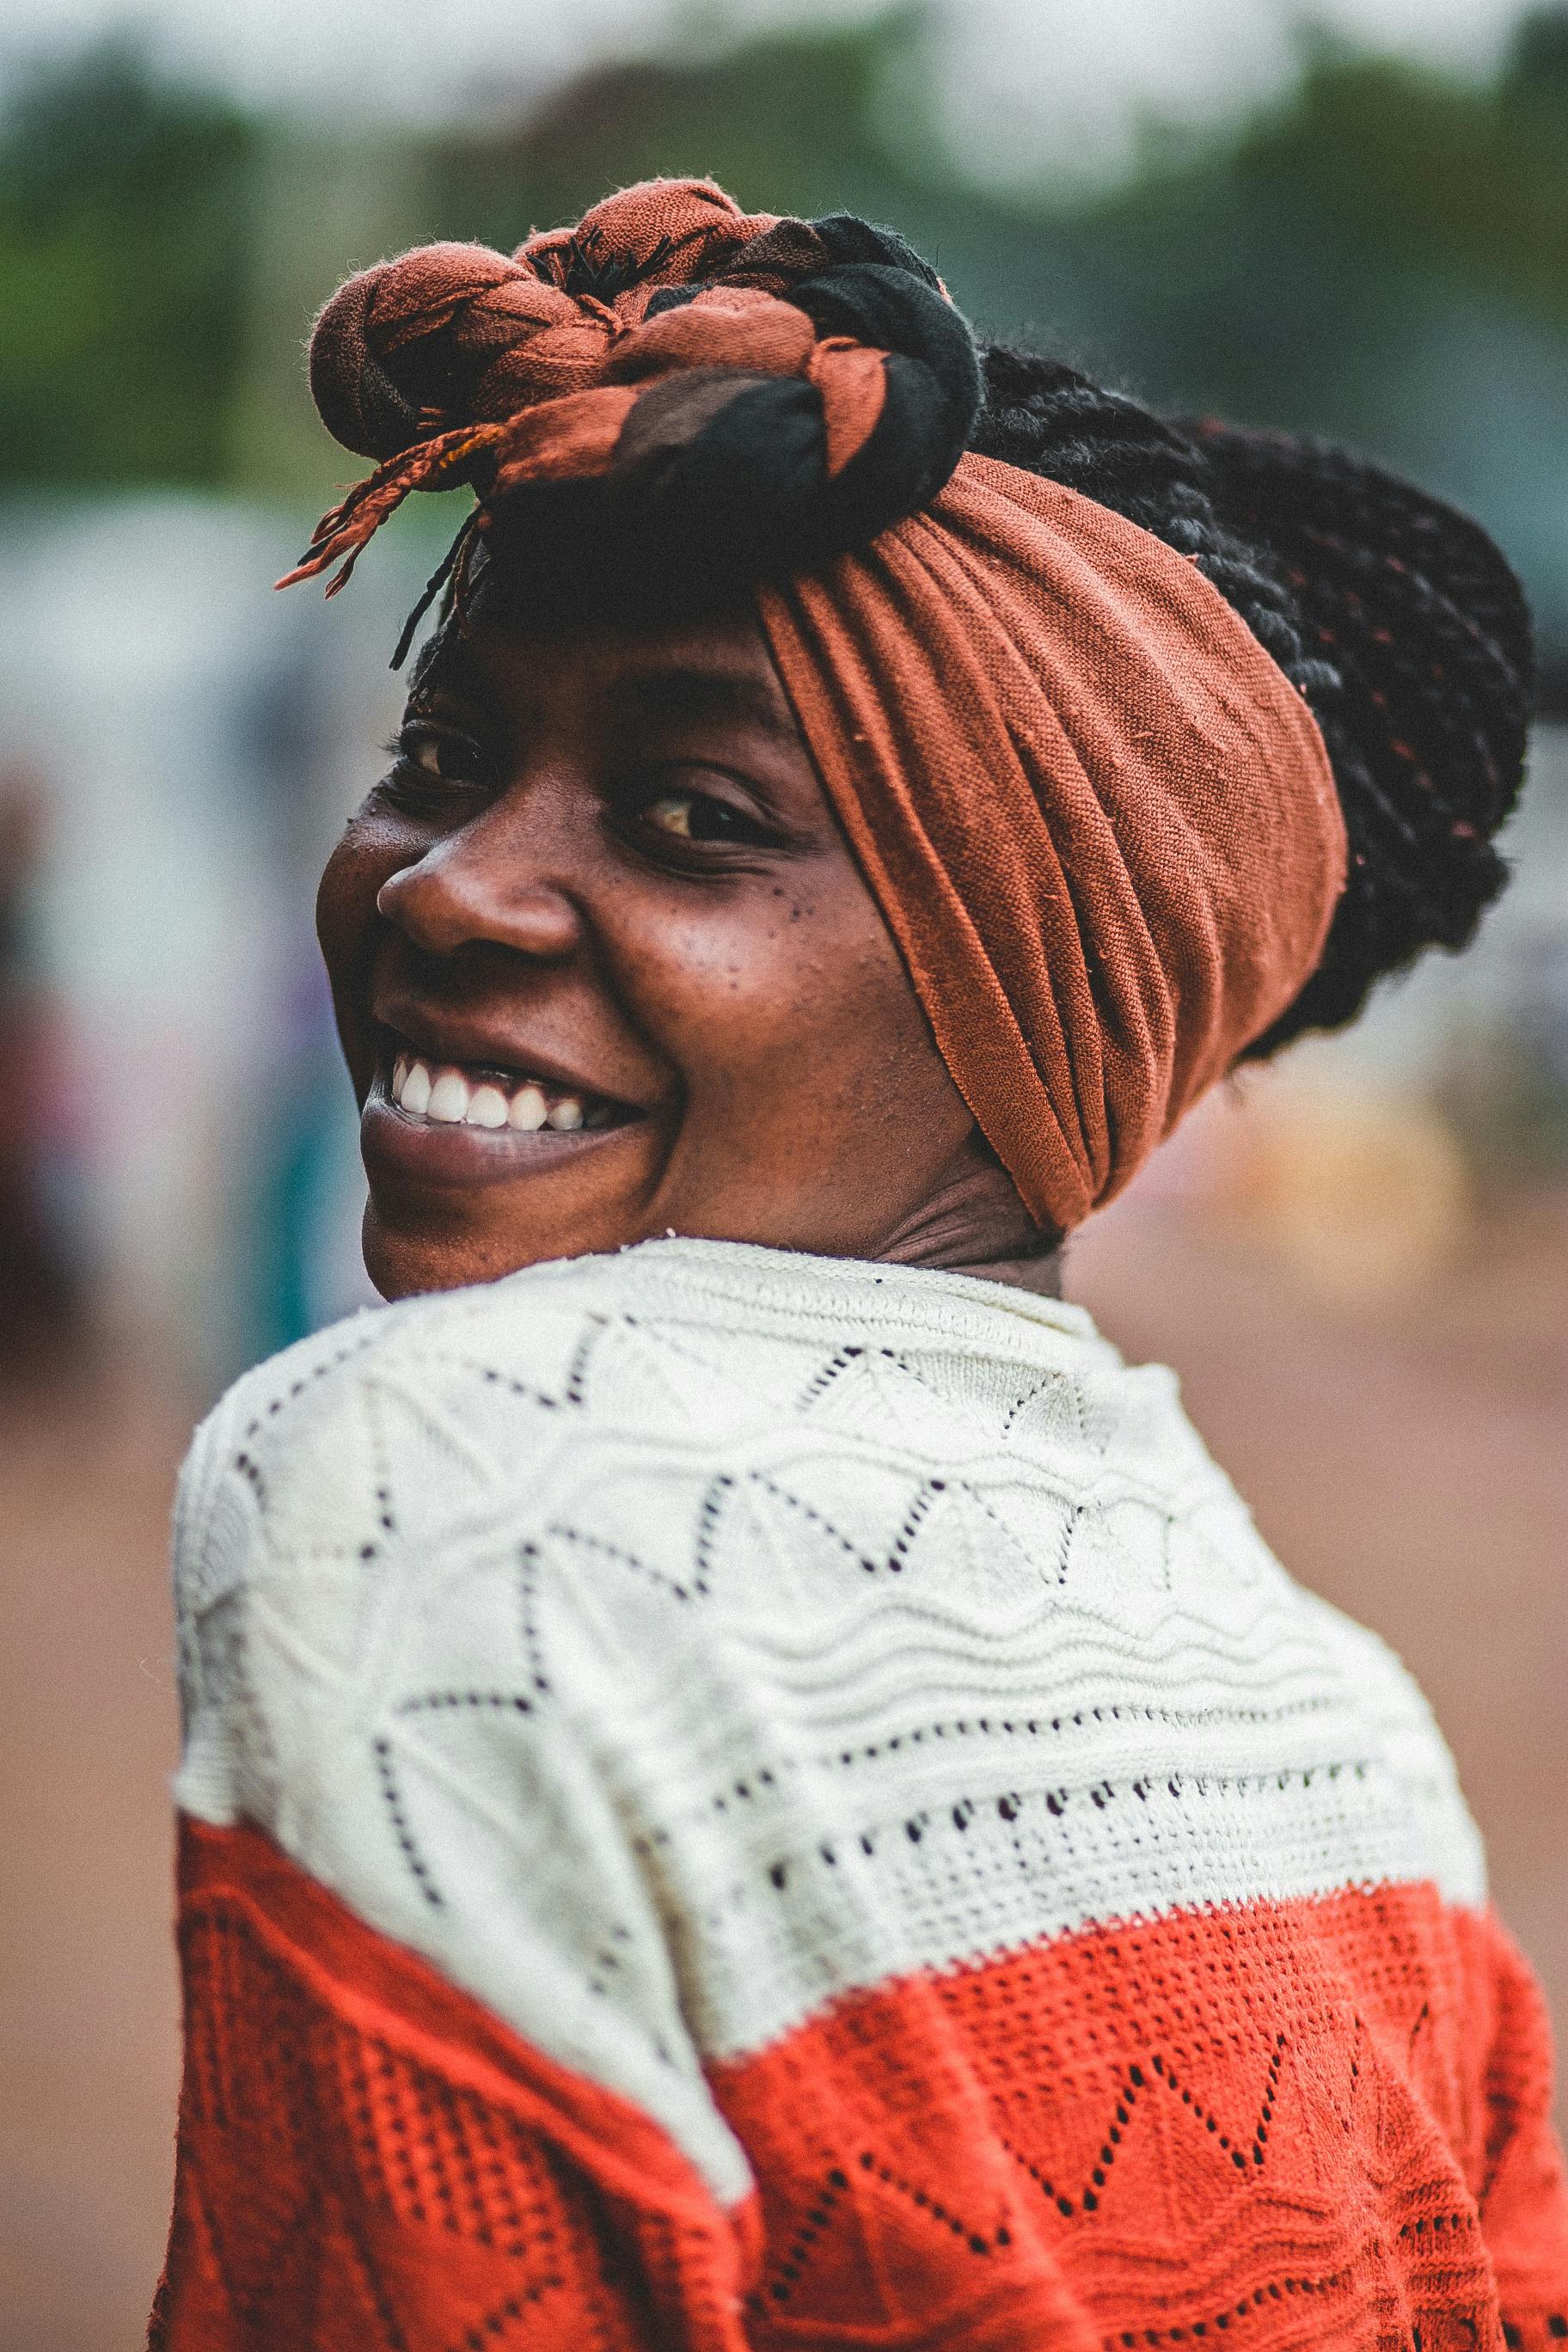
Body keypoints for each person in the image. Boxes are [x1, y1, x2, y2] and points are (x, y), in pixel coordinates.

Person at [149, 180, 1568, 2349]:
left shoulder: (443, 1483)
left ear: (1034, 979)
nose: (448, 887)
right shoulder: (1350, 1734)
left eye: (694, 819)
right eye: (440, 760)